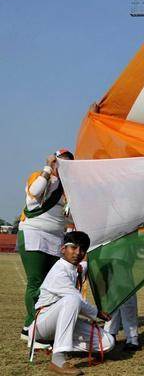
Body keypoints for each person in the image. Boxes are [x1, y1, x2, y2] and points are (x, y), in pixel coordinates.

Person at [27, 231, 115, 375]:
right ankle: (58, 359)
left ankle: (58, 343)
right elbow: (77, 299)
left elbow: (83, 266)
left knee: (108, 342)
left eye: (82, 249)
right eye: (73, 248)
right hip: (42, 325)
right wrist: (98, 313)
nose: (78, 253)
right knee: (72, 300)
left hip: (63, 320)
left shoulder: (76, 267)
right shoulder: (59, 272)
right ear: (63, 249)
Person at [18, 149, 74, 344]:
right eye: (60, 161)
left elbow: (70, 217)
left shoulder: (68, 188)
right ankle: (32, 327)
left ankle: (38, 326)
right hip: (34, 233)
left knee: (50, 285)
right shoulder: (40, 176)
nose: (63, 166)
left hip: (56, 238)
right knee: (35, 281)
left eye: (68, 163)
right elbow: (35, 192)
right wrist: (47, 168)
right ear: (54, 161)